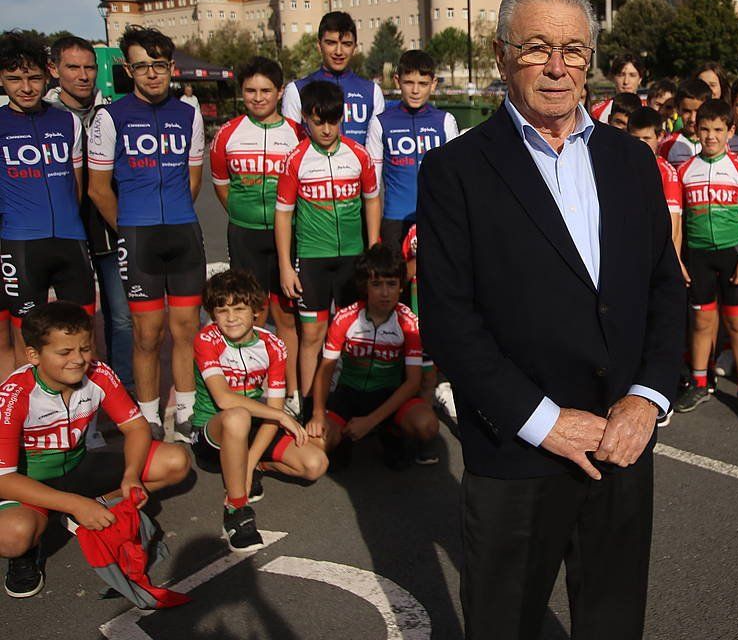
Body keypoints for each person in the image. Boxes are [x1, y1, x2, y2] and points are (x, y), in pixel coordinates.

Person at [417, 0, 684, 640]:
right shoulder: (455, 170)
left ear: (590, 57)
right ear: (503, 55)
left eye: (572, 49)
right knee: (503, 623)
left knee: (613, 620)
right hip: (518, 450)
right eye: (537, 48)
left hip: (623, 441)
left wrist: (646, 398)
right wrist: (544, 422)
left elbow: (664, 287)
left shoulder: (632, 160)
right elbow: (451, 322)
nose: (557, 67)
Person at [0, 302, 190, 598]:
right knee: (13, 537)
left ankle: (91, 505)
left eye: (85, 348)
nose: (78, 360)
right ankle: (35, 542)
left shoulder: (98, 373)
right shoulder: (14, 395)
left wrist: (130, 475)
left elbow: (137, 427)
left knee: (175, 460)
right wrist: (75, 504)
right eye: (65, 352)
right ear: (34, 355)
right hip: (30, 483)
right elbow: (4, 479)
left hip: (79, 468)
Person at [88, 25, 206, 441]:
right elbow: (98, 189)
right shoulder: (110, 116)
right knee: (146, 335)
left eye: (159, 65)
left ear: (170, 67)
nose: (152, 74)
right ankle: (149, 414)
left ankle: (190, 411)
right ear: (128, 69)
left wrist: (171, 213)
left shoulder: (188, 113)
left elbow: (194, 178)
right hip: (138, 238)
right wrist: (130, 229)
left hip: (182, 233)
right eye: (142, 66)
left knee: (186, 329)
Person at [190, 270, 324, 551]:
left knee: (315, 464)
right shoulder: (206, 340)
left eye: (239, 309)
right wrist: (279, 414)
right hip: (211, 432)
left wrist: (250, 463)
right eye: (222, 310)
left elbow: (273, 410)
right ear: (212, 314)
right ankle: (236, 511)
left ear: (256, 312)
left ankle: (252, 464)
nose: (230, 317)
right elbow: (225, 400)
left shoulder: (273, 345)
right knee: (237, 416)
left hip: (250, 427)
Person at [275, 80, 381, 407]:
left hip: (352, 259)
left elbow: (372, 201)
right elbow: (283, 216)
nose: (326, 129)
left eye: (333, 121)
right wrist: (284, 267)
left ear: (342, 117)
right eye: (318, 121)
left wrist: (374, 247)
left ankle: (350, 400)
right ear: (305, 117)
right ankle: (309, 404)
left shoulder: (359, 155)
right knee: (312, 336)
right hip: (312, 259)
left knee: (352, 334)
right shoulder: (295, 159)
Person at [210, 57, 303, 413]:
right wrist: (245, 214)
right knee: (252, 316)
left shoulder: (296, 132)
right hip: (245, 235)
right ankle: (255, 390)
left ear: (280, 92)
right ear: (241, 92)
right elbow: (222, 186)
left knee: (286, 317)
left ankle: (292, 393)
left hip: (288, 236)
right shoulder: (228, 134)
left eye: (266, 90)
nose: (258, 97)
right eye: (250, 91)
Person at [46, 36, 131, 388]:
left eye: (89, 68)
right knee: (71, 321)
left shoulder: (109, 113)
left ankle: (121, 387)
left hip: (108, 229)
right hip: (64, 233)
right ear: (54, 70)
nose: (83, 76)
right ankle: (71, 391)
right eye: (73, 67)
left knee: (122, 316)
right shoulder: (44, 117)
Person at [306, 246, 438, 468]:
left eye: (391, 284)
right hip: (349, 394)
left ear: (400, 287)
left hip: (389, 395)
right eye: (377, 285)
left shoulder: (408, 322)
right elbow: (326, 368)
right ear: (364, 287)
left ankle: (390, 430)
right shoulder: (345, 318)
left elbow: (413, 382)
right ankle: (346, 436)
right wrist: (318, 413)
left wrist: (371, 421)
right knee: (316, 444)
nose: (385, 293)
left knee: (427, 425)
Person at [0, 34, 96, 328]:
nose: (26, 88)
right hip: (20, 245)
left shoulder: (67, 121)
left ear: (47, 75)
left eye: (34, 78)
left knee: (82, 332)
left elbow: (76, 186)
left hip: (71, 242)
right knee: (28, 339)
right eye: (15, 79)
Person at [674, 100, 738, 421]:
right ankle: (699, 381)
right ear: (696, 130)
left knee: (737, 322)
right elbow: (678, 222)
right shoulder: (685, 170)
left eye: (718, 130)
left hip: (733, 256)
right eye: (705, 129)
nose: (711, 137)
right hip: (697, 257)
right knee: (701, 322)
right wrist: (679, 259)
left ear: (730, 132)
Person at [365, 49, 459, 257]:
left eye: (423, 84)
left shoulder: (445, 121)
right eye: (409, 83)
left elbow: (454, 179)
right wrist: (373, 241)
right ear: (397, 81)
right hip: (394, 220)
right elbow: (372, 184)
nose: (415, 90)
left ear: (433, 83)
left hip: (435, 218)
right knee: (394, 287)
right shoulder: (381, 122)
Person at [281, 11, 384, 146]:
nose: (339, 52)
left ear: (355, 47)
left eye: (346, 44)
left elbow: (376, 150)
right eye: (331, 43)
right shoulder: (296, 90)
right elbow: (290, 146)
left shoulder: (372, 91)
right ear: (319, 45)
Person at [626, 107, 683, 266]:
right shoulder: (619, 166)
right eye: (636, 138)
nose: (641, 144)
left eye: (646, 138)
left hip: (652, 256)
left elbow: (673, 225)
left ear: (660, 137)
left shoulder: (667, 172)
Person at [658, 77, 709, 169]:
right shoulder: (667, 145)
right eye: (687, 111)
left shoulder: (719, 142)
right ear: (677, 109)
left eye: (698, 111)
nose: (692, 119)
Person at [591, 53, 645, 123]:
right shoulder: (597, 111)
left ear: (640, 79)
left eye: (632, 75)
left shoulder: (650, 109)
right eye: (621, 75)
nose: (626, 81)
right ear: (613, 78)